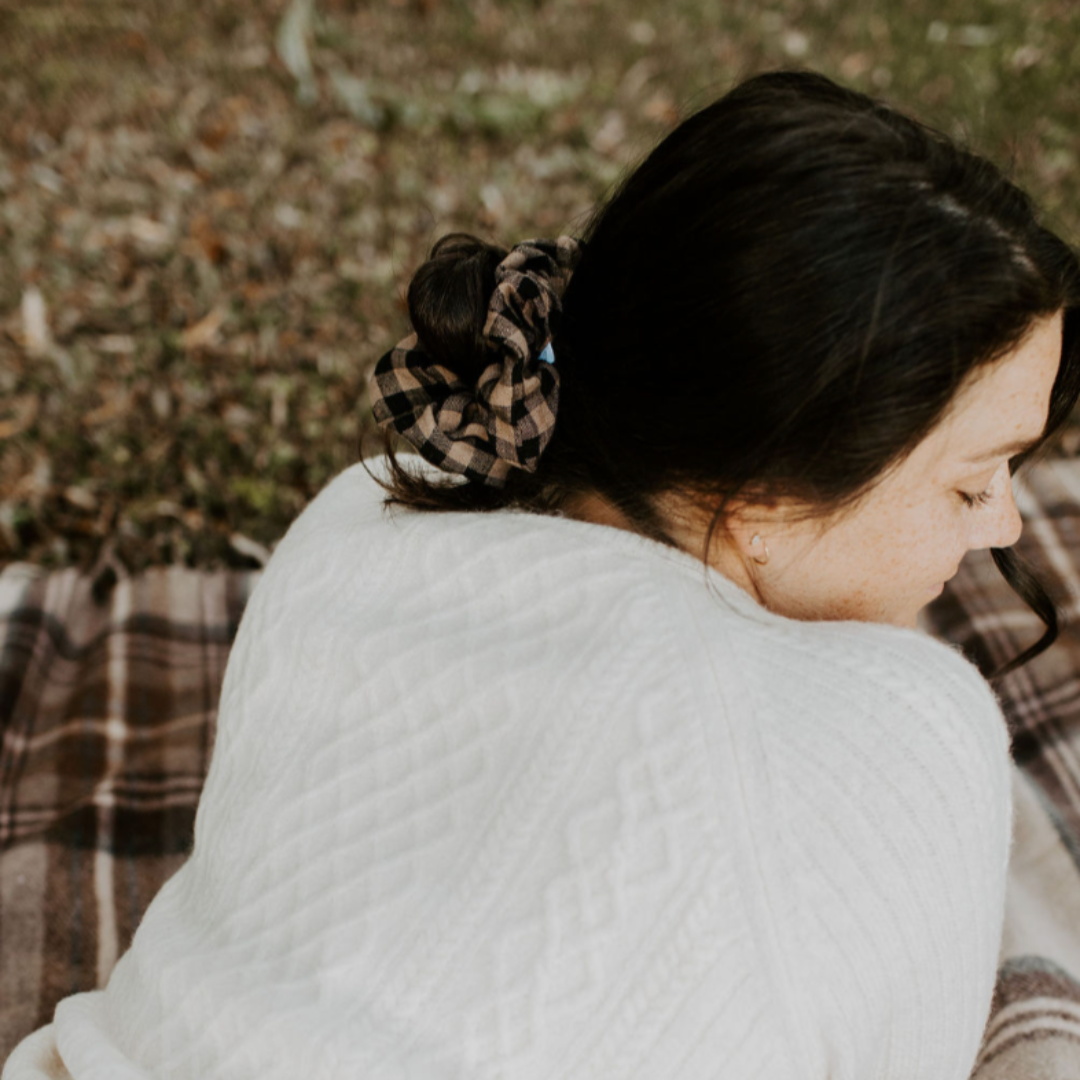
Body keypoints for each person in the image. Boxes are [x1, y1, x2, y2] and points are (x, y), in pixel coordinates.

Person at [6, 69, 1080, 1080]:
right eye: (972, 480)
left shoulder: (375, 505)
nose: (1001, 529)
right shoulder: (904, 730)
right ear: (764, 493)